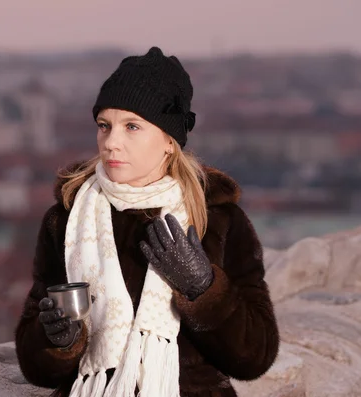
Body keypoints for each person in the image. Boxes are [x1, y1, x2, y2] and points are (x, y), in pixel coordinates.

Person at [15, 46, 279, 397]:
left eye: (132, 127)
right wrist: (57, 342)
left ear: (169, 141)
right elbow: (36, 365)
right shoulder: (67, 219)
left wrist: (204, 289)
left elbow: (255, 356)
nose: (111, 143)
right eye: (104, 126)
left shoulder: (218, 219)